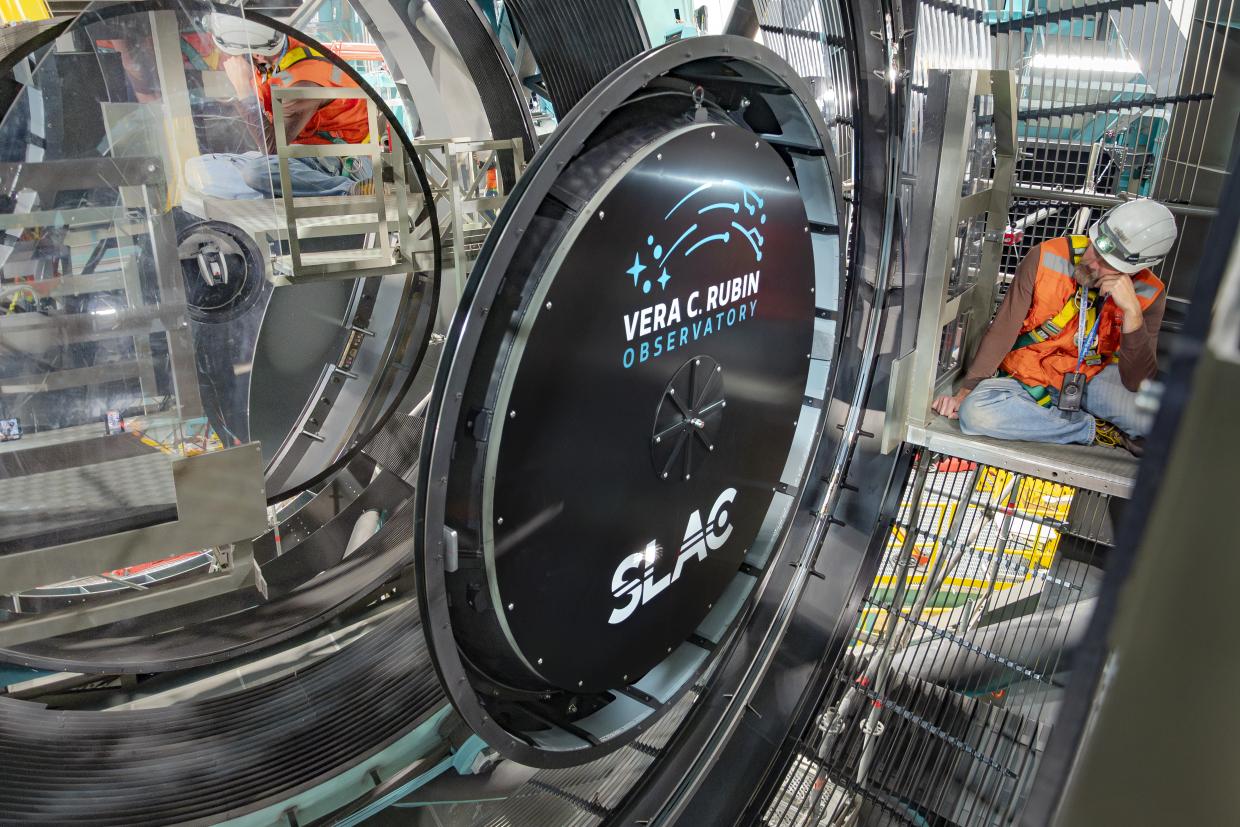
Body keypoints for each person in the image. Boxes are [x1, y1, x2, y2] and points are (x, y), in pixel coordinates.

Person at [932, 199, 1177, 456]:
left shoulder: (1149, 294)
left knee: (1158, 426)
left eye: (1109, 265)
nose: (1093, 263)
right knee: (976, 413)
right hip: (1029, 373)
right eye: (1096, 249)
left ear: (1133, 270)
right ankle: (1093, 429)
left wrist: (1132, 314)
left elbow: (1138, 382)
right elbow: (1003, 327)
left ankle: (1047, 419)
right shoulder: (1046, 255)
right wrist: (968, 390)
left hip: (1093, 375)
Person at [207, 13, 373, 197]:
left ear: (258, 54)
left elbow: (273, 150)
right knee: (203, 167)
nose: (232, 61)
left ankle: (349, 190)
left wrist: (243, 91)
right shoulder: (273, 60)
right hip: (306, 154)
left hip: (345, 162)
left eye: (236, 55)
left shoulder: (304, 83)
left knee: (257, 172)